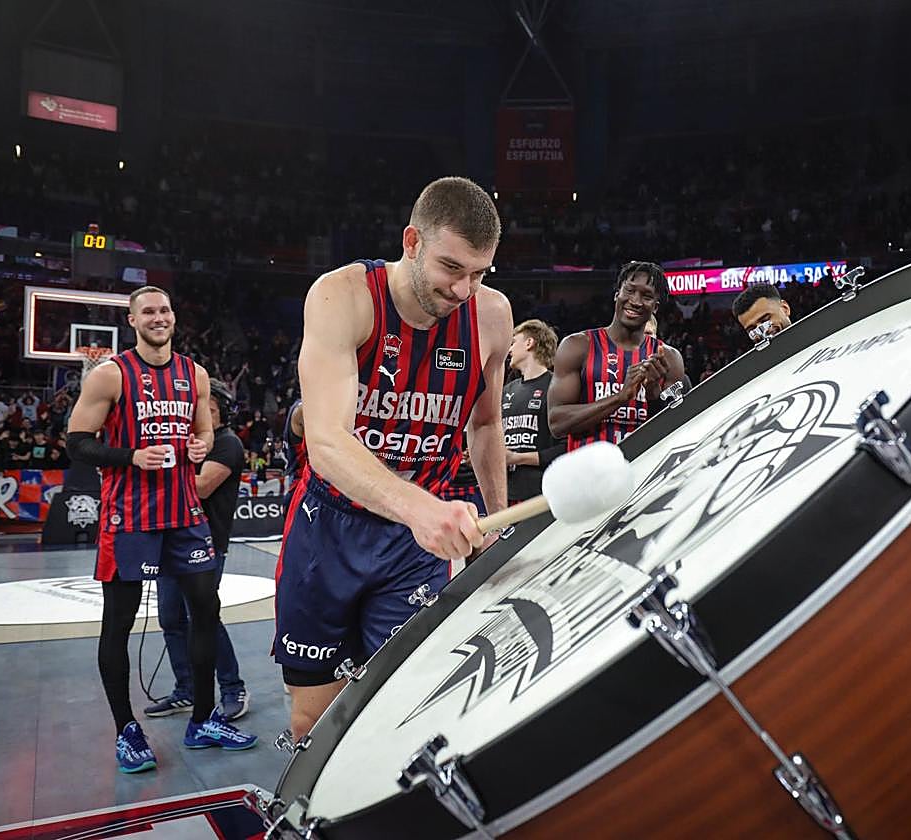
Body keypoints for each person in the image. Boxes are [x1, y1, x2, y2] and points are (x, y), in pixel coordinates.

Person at [276, 176, 512, 740]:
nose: (464, 289)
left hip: (413, 547)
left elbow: (484, 423)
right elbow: (327, 442)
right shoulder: (342, 295)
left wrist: (496, 527)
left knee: (401, 714)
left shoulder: (492, 316)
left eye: (479, 273)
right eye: (452, 268)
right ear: (411, 241)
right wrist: (421, 509)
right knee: (315, 718)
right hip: (329, 529)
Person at [66, 286, 256, 775]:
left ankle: (202, 719)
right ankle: (126, 730)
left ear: (174, 317)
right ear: (132, 321)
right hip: (130, 518)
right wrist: (130, 456)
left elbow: (206, 432)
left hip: (185, 515)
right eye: (148, 311)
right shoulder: (111, 374)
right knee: (118, 625)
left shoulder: (195, 374)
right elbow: (78, 443)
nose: (158, 317)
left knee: (205, 612)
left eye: (165, 310)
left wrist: (201, 447)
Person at [145, 379, 250, 722]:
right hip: (169, 541)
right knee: (171, 619)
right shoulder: (183, 444)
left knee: (203, 619)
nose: (202, 415)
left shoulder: (227, 443)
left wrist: (157, 468)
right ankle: (185, 690)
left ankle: (233, 688)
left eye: (211, 409)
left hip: (205, 545)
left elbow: (202, 487)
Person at [548, 260, 685, 449]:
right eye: (629, 291)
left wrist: (653, 393)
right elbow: (557, 423)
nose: (635, 301)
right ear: (617, 295)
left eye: (646, 296)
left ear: (655, 307)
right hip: (588, 473)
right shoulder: (577, 346)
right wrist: (620, 397)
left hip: (644, 474)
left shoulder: (670, 359)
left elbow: (676, 432)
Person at [501, 319, 566, 504]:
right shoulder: (507, 390)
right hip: (508, 493)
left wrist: (518, 458)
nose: (509, 350)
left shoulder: (557, 387)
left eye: (514, 342)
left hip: (544, 495)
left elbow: (567, 447)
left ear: (529, 343)